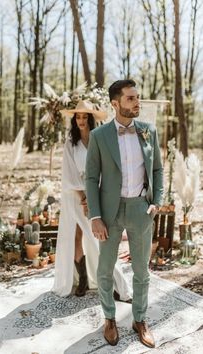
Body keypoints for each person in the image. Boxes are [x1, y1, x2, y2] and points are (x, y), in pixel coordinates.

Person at [86, 80, 163, 348]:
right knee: (105, 269)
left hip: (141, 209)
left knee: (142, 271)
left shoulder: (148, 131)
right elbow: (92, 177)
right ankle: (109, 318)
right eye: (131, 99)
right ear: (115, 104)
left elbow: (158, 171)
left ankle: (139, 319)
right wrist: (95, 216)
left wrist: (157, 201)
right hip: (109, 211)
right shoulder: (99, 136)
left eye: (138, 98)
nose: (137, 103)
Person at [52, 100, 132, 301]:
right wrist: (84, 197)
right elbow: (69, 175)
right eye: (77, 117)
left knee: (101, 239)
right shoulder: (71, 143)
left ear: (90, 119)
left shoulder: (98, 139)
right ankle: (82, 281)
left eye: (84, 117)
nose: (80, 120)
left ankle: (118, 286)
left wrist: (95, 195)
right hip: (75, 196)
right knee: (76, 236)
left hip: (96, 193)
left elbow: (105, 168)